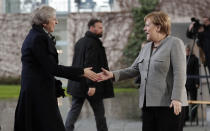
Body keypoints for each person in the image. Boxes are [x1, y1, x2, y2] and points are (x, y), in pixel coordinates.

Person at [14, 5, 100, 131]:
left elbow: (46, 68)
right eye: (54, 18)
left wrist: (82, 74)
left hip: (37, 93)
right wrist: (82, 72)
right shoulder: (38, 38)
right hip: (38, 95)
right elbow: (53, 68)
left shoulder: (36, 35)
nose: (57, 21)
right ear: (44, 22)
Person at [98, 11, 188, 131]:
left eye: (147, 25)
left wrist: (176, 98)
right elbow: (134, 69)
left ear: (158, 27)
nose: (144, 28)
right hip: (148, 105)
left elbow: (180, 73)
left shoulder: (175, 43)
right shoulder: (146, 47)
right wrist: (112, 74)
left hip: (169, 105)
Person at [65, 19, 114, 131]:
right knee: (100, 114)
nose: (102, 30)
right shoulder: (94, 43)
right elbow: (90, 64)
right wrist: (91, 85)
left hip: (78, 83)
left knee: (74, 110)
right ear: (92, 28)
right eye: (100, 27)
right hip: (91, 84)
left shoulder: (80, 42)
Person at [185, 45, 199, 122]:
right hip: (184, 83)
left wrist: (197, 82)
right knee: (184, 101)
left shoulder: (194, 59)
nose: (187, 52)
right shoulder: (183, 58)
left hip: (193, 83)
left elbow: (196, 71)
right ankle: (185, 116)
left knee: (194, 100)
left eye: (188, 50)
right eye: (186, 50)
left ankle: (193, 117)